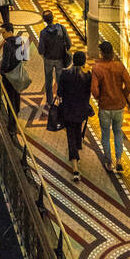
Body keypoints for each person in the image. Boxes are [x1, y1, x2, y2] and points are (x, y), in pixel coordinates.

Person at [91, 39, 130, 173]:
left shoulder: (97, 68)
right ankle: (119, 160)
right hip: (118, 106)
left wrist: (99, 98)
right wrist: (123, 95)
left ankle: (108, 161)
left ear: (102, 53)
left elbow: (94, 90)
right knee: (118, 132)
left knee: (105, 134)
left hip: (105, 107)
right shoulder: (119, 67)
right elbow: (129, 85)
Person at [59, 51, 94, 181]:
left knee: (70, 135)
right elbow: (89, 93)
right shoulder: (87, 76)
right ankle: (77, 149)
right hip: (82, 110)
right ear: (84, 62)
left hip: (68, 109)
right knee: (77, 129)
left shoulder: (65, 74)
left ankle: (75, 167)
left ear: (72, 61)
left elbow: (60, 93)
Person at [38, 9, 71, 107]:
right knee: (59, 80)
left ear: (44, 20)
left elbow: (41, 50)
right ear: (53, 18)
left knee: (48, 80)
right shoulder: (61, 28)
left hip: (48, 59)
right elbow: (69, 43)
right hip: (60, 59)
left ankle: (49, 101)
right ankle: (61, 99)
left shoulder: (43, 33)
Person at [0, 28, 31, 125]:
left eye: (3, 32)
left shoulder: (7, 44)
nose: (2, 35)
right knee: (16, 95)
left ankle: (11, 120)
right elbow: (24, 57)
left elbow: (6, 61)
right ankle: (16, 115)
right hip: (18, 74)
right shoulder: (19, 40)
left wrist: (3, 71)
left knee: (9, 98)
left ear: (10, 32)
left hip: (9, 75)